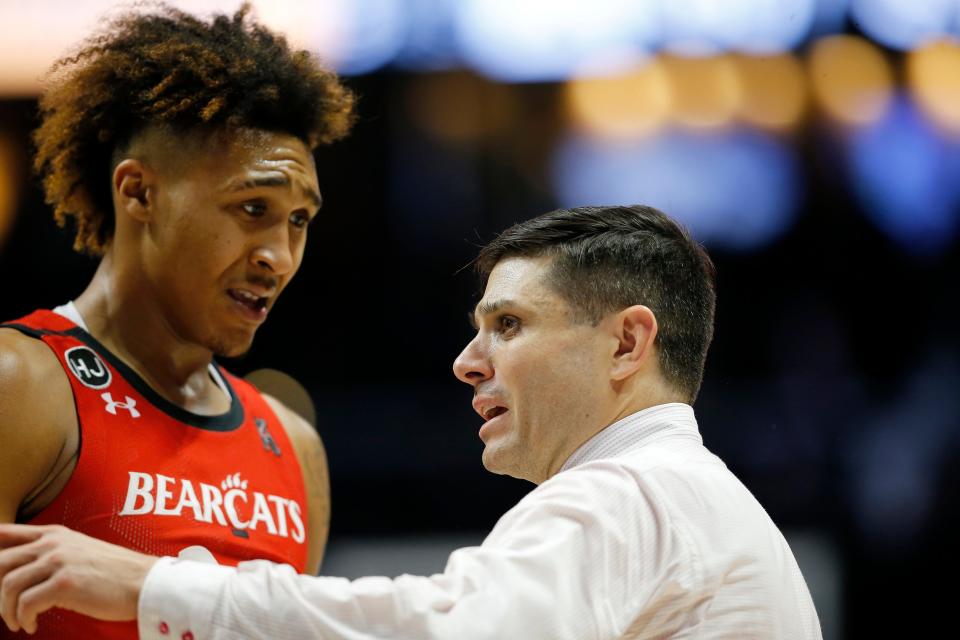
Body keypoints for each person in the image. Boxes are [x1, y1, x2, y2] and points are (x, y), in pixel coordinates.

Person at [0, 205, 822, 638]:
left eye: (508, 325)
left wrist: (152, 584)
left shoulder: (625, 497)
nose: (469, 362)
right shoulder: (700, 505)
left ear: (627, 343)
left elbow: (441, 630)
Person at [0, 4, 353, 638]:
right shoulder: (19, 385)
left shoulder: (295, 447)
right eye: (253, 207)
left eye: (298, 221)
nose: (279, 255)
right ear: (138, 193)